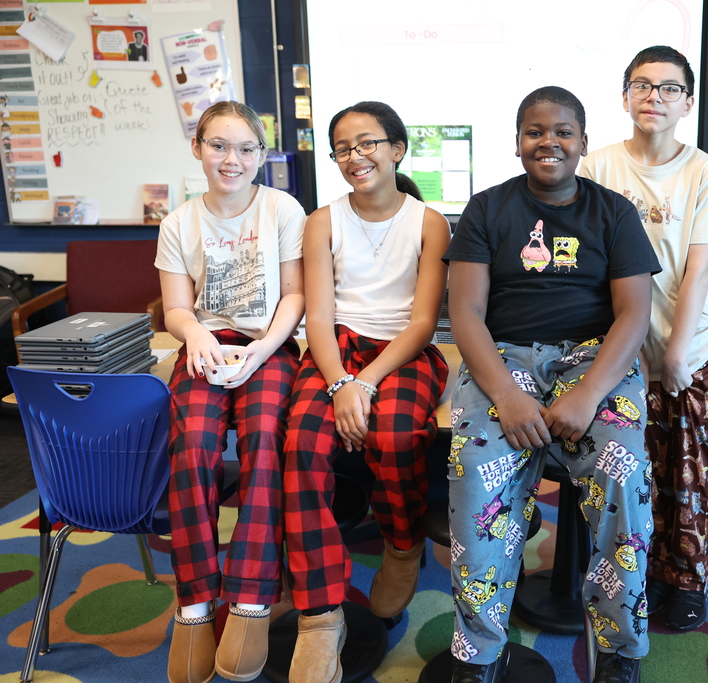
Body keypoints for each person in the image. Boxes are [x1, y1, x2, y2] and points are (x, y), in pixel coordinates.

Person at [444, 86, 660, 683]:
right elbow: (465, 313)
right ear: (517, 143)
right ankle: (479, 654)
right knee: (475, 478)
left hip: (594, 361)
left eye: (563, 131)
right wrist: (509, 397)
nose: (550, 142)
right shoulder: (487, 210)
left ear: (583, 143)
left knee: (622, 473)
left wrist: (589, 393)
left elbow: (634, 316)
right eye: (535, 131)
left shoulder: (614, 212)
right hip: (504, 358)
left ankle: (619, 650)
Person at [282, 101, 450, 683]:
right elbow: (320, 316)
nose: (356, 156)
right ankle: (319, 613)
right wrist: (339, 382)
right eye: (344, 148)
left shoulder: (429, 222)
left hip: (402, 352)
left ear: (397, 149)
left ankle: (401, 548)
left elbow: (423, 322)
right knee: (301, 443)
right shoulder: (321, 220)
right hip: (335, 349)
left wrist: (365, 382)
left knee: (398, 434)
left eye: (368, 143)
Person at [156, 100, 306, 683]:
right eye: (219, 145)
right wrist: (194, 333)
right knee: (191, 445)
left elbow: (294, 295)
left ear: (261, 157)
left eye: (246, 148)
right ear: (197, 148)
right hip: (204, 343)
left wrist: (264, 349)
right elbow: (174, 306)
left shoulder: (282, 209)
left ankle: (250, 596)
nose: (232, 159)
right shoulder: (179, 222)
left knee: (264, 440)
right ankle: (194, 603)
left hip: (267, 345)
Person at [579, 45, 708, 632]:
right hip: (620, 350)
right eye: (643, 86)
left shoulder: (703, 171)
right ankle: (639, 577)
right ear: (624, 97)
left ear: (687, 102)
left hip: (689, 347)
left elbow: (697, 272)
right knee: (636, 472)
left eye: (669, 88)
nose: (655, 98)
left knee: (689, 473)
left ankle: (687, 580)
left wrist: (672, 354)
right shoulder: (598, 166)